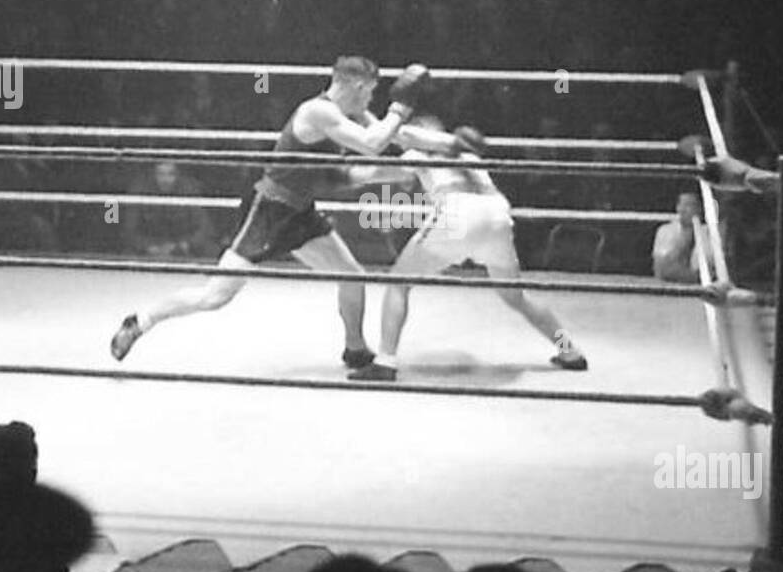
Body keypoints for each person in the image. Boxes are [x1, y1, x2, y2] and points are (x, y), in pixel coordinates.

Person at [110, 56, 432, 366]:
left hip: (301, 212)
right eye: (371, 91)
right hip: (270, 212)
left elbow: (392, 137)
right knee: (215, 296)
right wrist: (400, 106)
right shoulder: (318, 112)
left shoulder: (350, 113)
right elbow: (373, 143)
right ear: (358, 86)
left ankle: (356, 349)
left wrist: (446, 148)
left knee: (352, 278)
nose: (371, 100)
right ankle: (141, 321)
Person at [347, 117, 588, 381]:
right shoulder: (466, 152)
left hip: (458, 213)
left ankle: (385, 362)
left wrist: (339, 173)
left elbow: (376, 172)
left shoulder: (417, 152)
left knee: (398, 283)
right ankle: (569, 351)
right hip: (497, 213)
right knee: (515, 295)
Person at [652, 191, 711, 284]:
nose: (683, 209)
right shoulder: (665, 231)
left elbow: (707, 273)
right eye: (680, 205)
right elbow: (661, 269)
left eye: (688, 205)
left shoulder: (710, 234)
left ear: (699, 209)